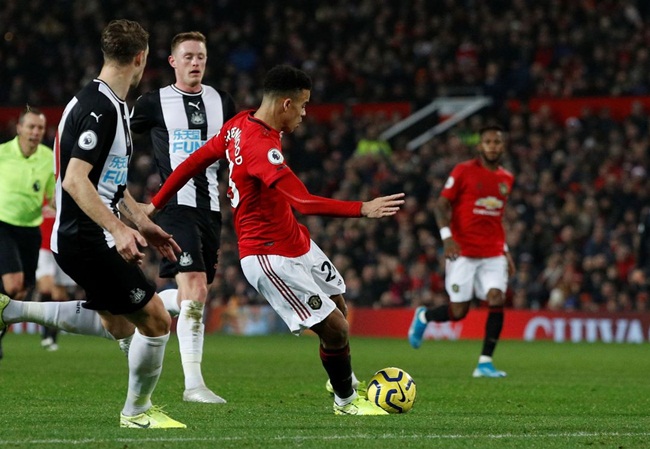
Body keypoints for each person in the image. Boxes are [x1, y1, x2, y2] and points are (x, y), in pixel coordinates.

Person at [146, 64, 405, 415]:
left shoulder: (239, 124)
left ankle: (338, 378)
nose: (304, 113)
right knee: (337, 329)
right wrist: (363, 208)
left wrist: (155, 203)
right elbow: (303, 201)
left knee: (338, 306)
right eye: (303, 105)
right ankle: (346, 402)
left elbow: (193, 162)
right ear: (286, 104)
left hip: (296, 240)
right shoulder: (260, 146)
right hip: (269, 255)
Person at [0, 19, 185, 429]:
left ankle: (10, 310)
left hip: (83, 235)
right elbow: (75, 180)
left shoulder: (110, 104)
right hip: (86, 237)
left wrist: (141, 222)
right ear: (141, 59)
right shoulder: (99, 109)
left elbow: (111, 185)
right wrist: (118, 229)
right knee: (156, 320)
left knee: (116, 323)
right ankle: (136, 412)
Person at [130, 31, 236, 404]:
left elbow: (237, 148)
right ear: (173, 62)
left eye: (200, 57)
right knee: (195, 288)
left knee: (195, 295)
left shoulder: (222, 101)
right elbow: (121, 135)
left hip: (211, 211)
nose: (195, 62)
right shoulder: (153, 102)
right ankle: (194, 385)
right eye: (188, 56)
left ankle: (142, 305)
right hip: (174, 206)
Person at [408, 125, 515, 378]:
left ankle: (485, 363)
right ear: (480, 146)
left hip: (493, 252)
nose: (492, 146)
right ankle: (424, 316)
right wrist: (447, 238)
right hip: (463, 251)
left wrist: (506, 250)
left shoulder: (506, 178)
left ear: (503, 146)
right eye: (488, 141)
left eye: (497, 142)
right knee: (458, 312)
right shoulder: (463, 171)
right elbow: (440, 205)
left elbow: (496, 218)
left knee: (497, 297)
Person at [0, 106, 55, 359]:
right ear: (19, 128)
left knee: (22, 292)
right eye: (31, 126)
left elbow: (52, 197)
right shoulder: (2, 153)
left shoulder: (48, 157)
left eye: (40, 128)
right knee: (13, 284)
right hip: (3, 224)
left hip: (31, 228)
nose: (35, 132)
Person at [35, 202, 80, 351]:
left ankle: (52, 337)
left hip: (62, 248)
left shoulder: (66, 196)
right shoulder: (40, 196)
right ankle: (45, 334)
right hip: (43, 249)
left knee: (60, 296)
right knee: (46, 288)